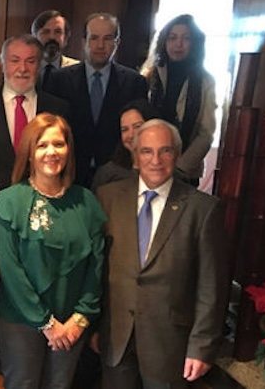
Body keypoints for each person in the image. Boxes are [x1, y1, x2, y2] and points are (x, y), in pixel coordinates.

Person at [96, 119, 229, 389]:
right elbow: (95, 271)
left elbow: (211, 285)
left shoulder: (203, 209)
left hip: (170, 345)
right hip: (115, 337)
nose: (155, 160)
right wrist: (94, 326)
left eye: (165, 150)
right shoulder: (107, 198)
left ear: (177, 155)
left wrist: (201, 346)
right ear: (135, 156)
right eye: (146, 151)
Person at [0, 113, 105, 389]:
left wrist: (80, 318)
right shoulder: (10, 201)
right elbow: (11, 270)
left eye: (59, 144)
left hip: (72, 323)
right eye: (42, 145)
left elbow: (97, 266)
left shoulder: (87, 202)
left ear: (69, 150)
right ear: (29, 153)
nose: (51, 152)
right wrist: (46, 323)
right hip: (21, 322)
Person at [44, 12, 147, 187]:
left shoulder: (134, 82)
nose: (100, 45)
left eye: (107, 38)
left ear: (117, 42)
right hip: (69, 172)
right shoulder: (58, 80)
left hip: (117, 176)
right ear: (84, 41)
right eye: (94, 38)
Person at [0, 34, 70, 191]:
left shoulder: (58, 109)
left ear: (39, 65)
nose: (23, 68)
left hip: (43, 199)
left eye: (30, 61)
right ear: (2, 64)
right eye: (15, 60)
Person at [141, 14, 217, 186]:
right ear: (164, 42)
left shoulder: (205, 81)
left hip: (185, 171)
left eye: (186, 38)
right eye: (172, 38)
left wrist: (180, 168)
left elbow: (206, 133)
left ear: (194, 43)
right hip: (147, 165)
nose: (178, 44)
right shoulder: (150, 76)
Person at [91, 99, 159, 191]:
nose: (131, 135)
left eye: (137, 126)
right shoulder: (107, 174)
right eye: (125, 130)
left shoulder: (166, 170)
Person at [30, 10, 80, 87]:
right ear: (35, 38)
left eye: (58, 32)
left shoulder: (78, 70)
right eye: (46, 32)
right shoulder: (25, 68)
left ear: (65, 39)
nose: (52, 37)